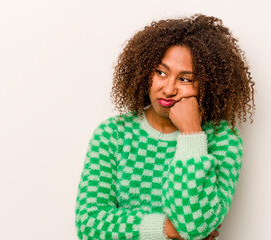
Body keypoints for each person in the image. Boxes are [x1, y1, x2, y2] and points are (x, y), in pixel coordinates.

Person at [75, 14, 255, 240]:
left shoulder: (222, 139)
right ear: (144, 72)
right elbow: (90, 224)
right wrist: (168, 229)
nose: (169, 89)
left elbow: (194, 224)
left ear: (208, 84)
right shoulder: (113, 134)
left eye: (185, 79)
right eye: (161, 73)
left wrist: (192, 134)